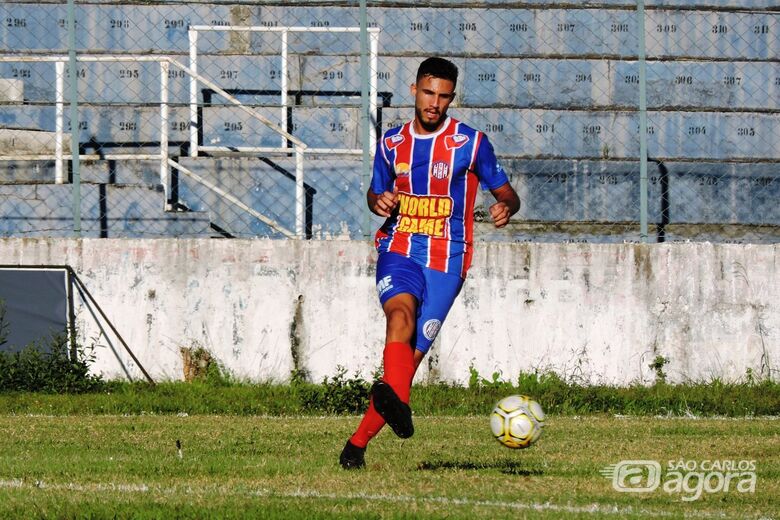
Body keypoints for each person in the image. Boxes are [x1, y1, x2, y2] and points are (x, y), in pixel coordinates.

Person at [339, 57, 520, 469]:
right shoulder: (391, 144)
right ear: (414, 91)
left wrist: (505, 206)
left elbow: (509, 194)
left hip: (448, 260)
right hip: (399, 247)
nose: (434, 103)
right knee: (398, 316)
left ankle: (356, 446)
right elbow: (375, 194)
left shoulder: (471, 144)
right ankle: (393, 414)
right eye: (427, 93)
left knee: (406, 368)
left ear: (451, 98)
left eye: (442, 96)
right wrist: (378, 201)